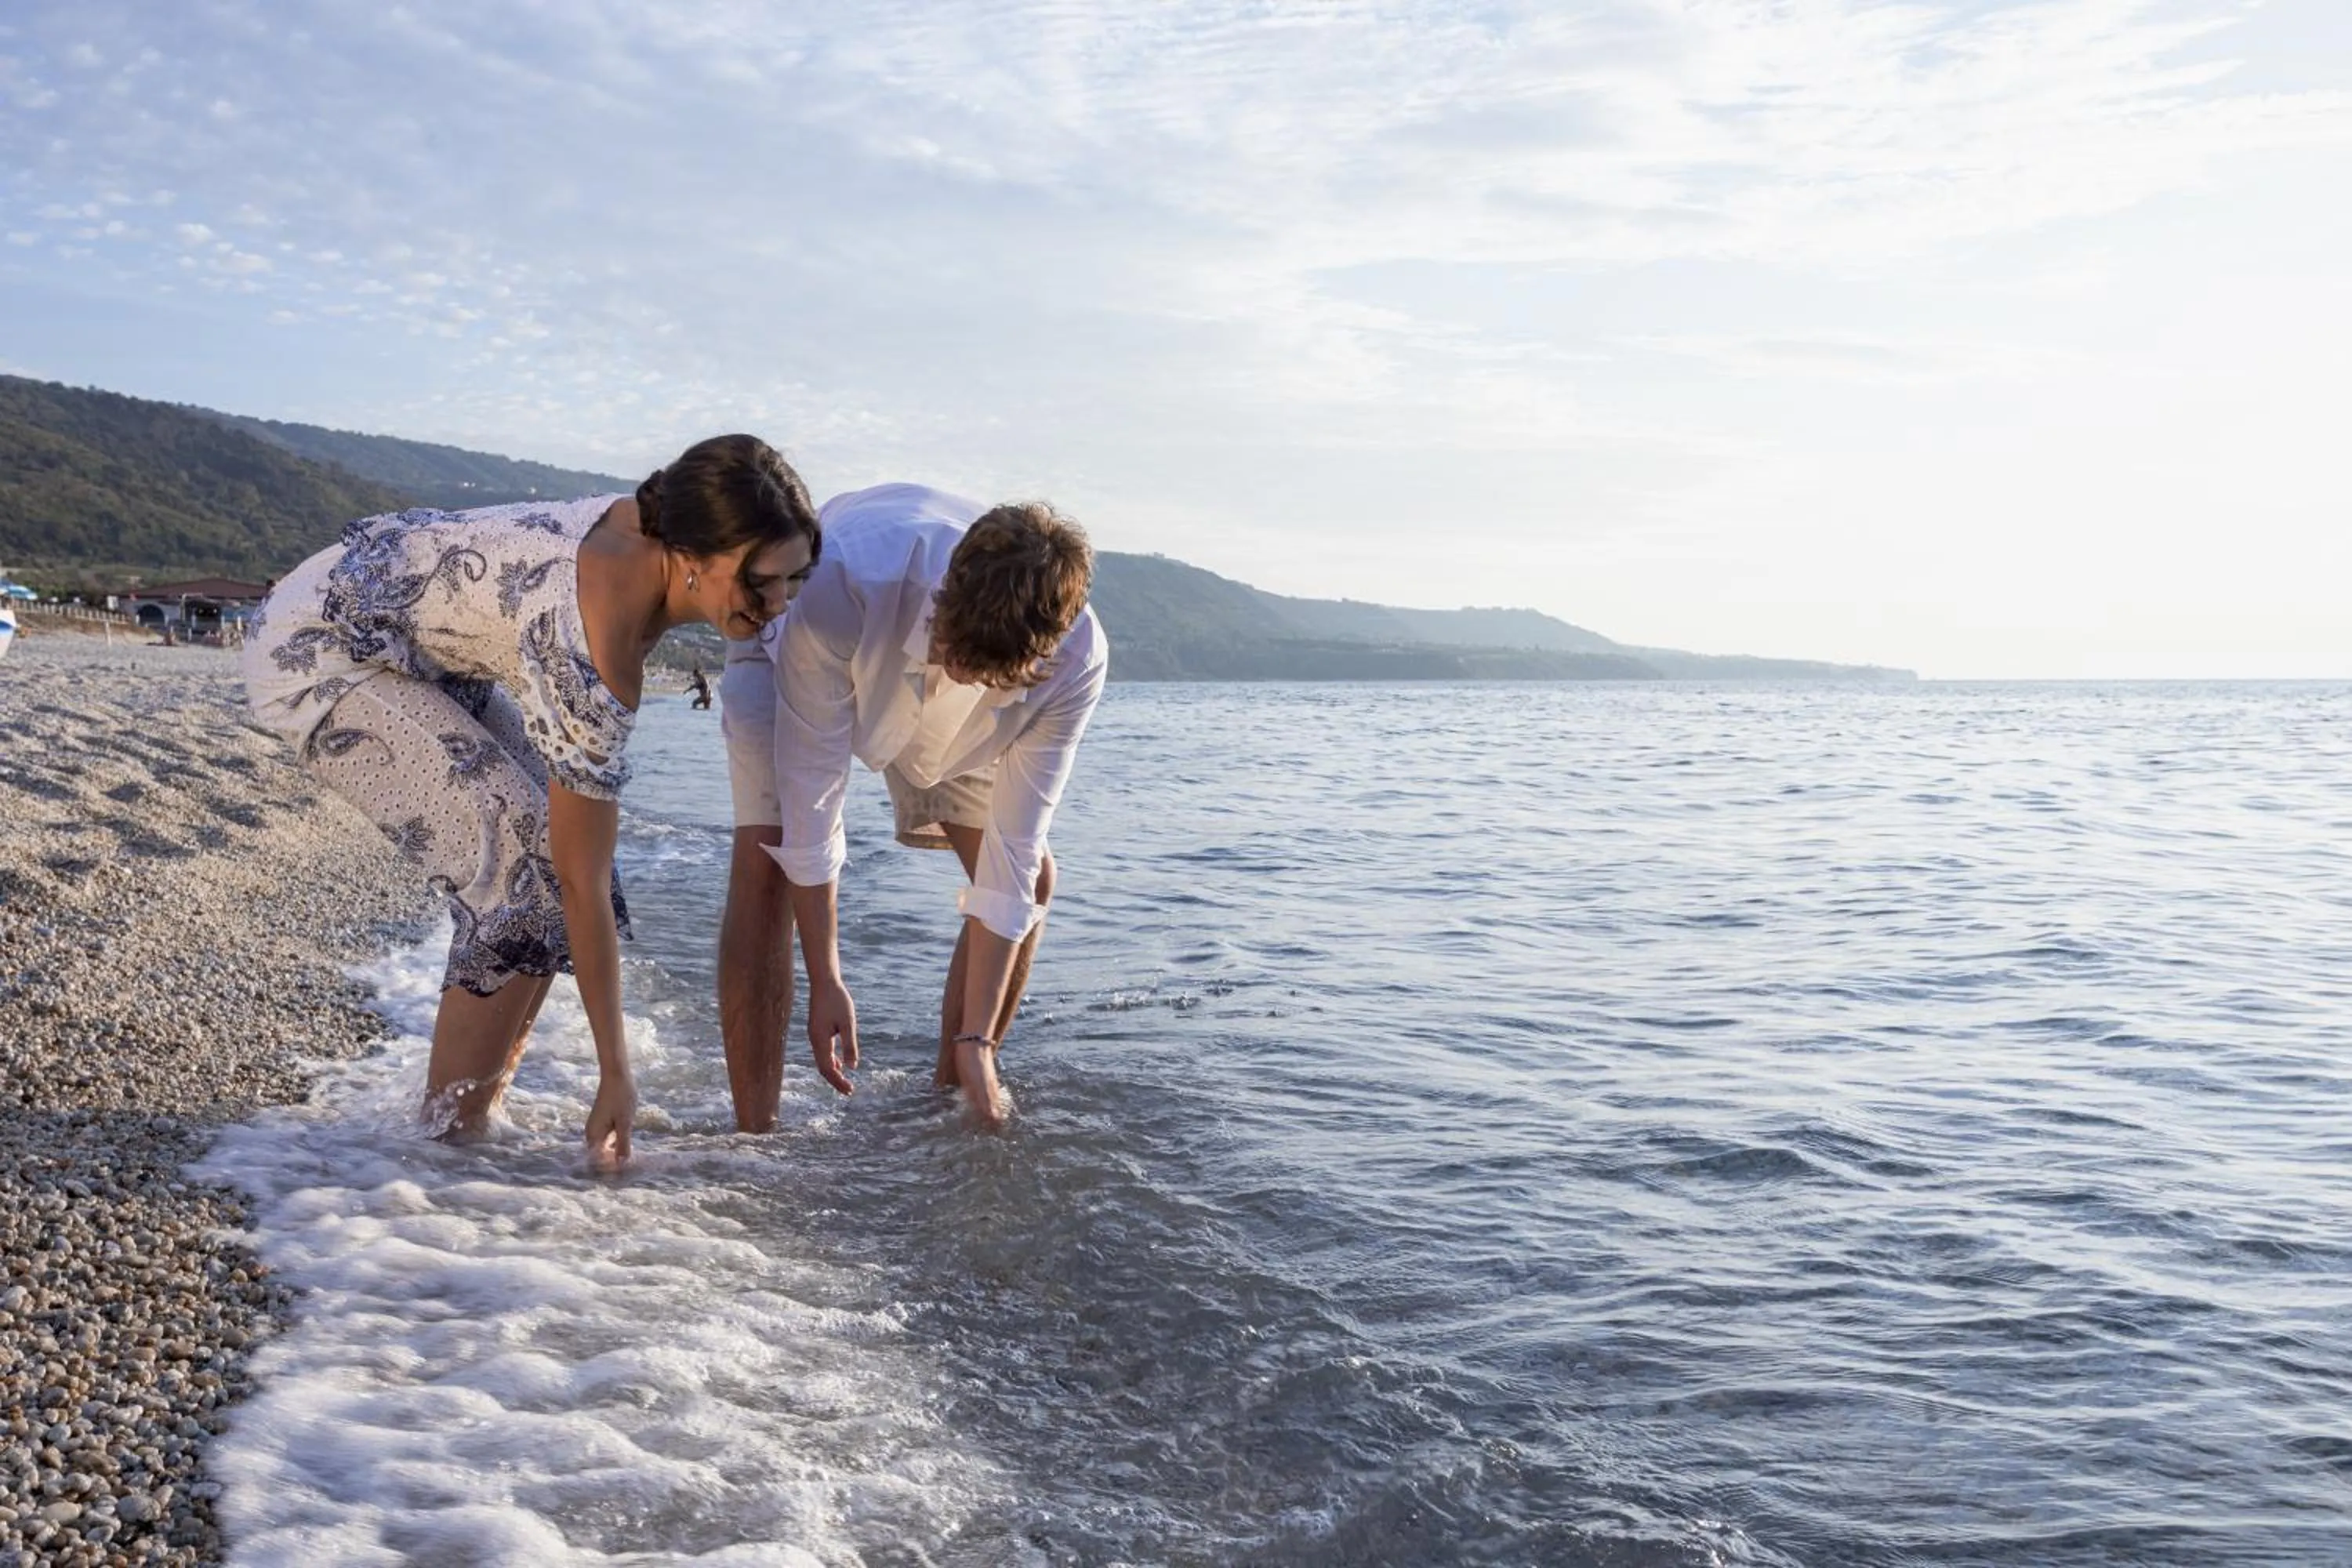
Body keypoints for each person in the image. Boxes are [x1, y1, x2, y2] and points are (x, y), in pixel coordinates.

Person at [243, 436, 821, 1167]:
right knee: (522, 873)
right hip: (317, 649)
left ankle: (479, 1116)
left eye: (796, 581)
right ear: (695, 556)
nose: (778, 607)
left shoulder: (654, 534)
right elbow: (575, 876)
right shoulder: (596, 634)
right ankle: (440, 1151)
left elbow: (582, 874)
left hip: (416, 653)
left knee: (559, 874)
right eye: (762, 583)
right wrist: (617, 1073)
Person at [718, 483, 1105, 1130]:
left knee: (1032, 877)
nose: (955, 667)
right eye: (952, 646)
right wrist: (828, 979)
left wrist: (978, 1038)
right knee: (768, 859)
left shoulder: (1075, 661)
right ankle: (755, 1138)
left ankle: (951, 1105)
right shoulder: (836, 583)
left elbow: (1013, 851)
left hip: (963, 725)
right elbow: (816, 800)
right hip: (808, 650)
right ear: (947, 591)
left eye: (978, 667)